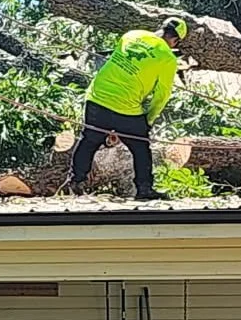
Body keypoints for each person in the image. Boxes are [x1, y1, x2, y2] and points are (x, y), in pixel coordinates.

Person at [67, 17, 187, 201]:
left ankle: (76, 181)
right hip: (126, 107)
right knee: (141, 147)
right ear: (175, 40)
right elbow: (162, 95)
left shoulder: (132, 35)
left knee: (89, 140)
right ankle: (144, 189)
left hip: (97, 96)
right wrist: (148, 119)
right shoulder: (168, 58)